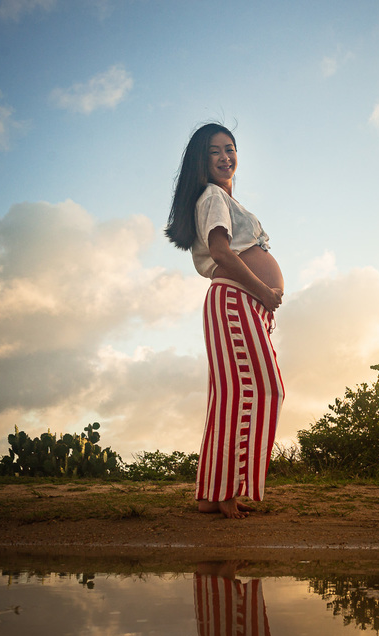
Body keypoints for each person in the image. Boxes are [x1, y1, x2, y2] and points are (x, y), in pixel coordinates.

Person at [167, 123, 285, 519]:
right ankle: (227, 491)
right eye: (215, 150)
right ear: (202, 161)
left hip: (242, 304)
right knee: (264, 390)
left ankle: (212, 494)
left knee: (232, 396)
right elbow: (221, 253)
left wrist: (262, 301)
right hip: (236, 300)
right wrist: (265, 293)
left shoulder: (224, 201)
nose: (225, 156)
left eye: (230, 148)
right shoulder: (213, 196)